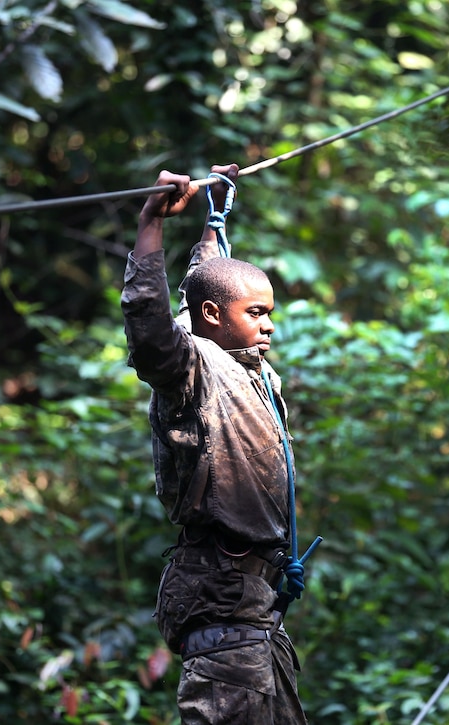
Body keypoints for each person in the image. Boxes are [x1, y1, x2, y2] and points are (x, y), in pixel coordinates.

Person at [121, 164, 308, 724]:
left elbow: (203, 291)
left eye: (269, 314)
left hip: (256, 620)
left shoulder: (244, 368)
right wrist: (151, 222)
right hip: (225, 620)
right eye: (255, 314)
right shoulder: (192, 371)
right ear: (213, 319)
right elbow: (154, 326)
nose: (268, 326)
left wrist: (212, 221)